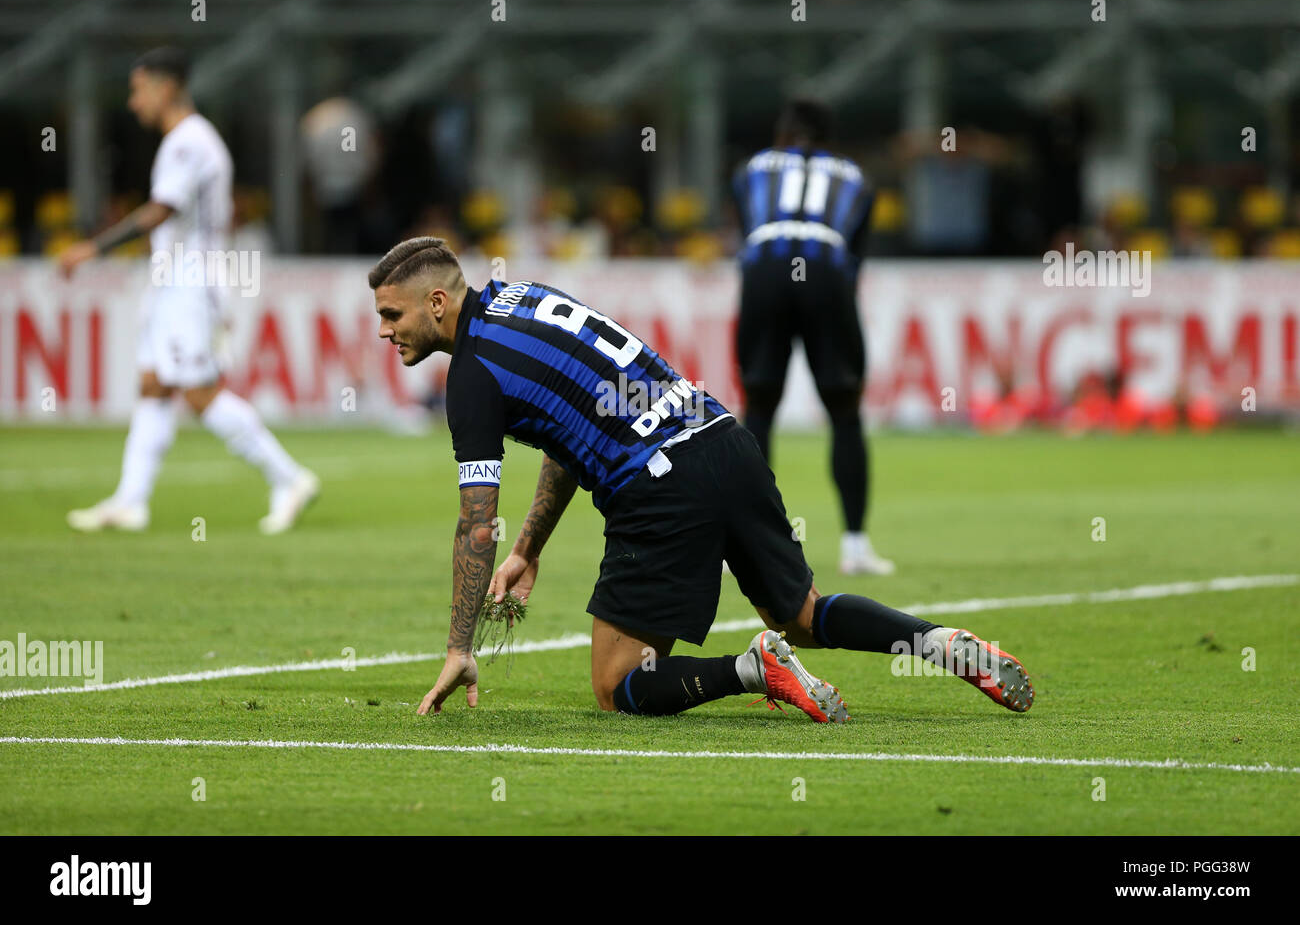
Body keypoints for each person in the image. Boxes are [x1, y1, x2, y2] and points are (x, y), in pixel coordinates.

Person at [368, 236, 1034, 720]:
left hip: (661, 487)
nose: (384, 332)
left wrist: (460, 645)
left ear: (435, 302)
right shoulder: (530, 298)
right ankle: (940, 643)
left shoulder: (473, 375)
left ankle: (753, 668)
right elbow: (568, 432)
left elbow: (475, 521)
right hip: (723, 440)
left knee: (616, 684)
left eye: (392, 316)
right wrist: (529, 550)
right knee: (803, 615)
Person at [58, 47, 318, 535]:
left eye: (139, 90)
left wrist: (92, 248)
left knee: (199, 394)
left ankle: (289, 479)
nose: (134, 103)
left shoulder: (187, 141)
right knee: (154, 385)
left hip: (189, 283)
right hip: (171, 280)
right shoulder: (189, 140)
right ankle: (131, 501)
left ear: (166, 87)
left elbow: (160, 210)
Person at [733, 99, 892, 574]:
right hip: (826, 270)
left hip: (766, 267)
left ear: (784, 131)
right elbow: (856, 258)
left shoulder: (751, 168)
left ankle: (743, 542)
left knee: (759, 406)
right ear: (828, 138)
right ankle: (855, 545)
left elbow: (748, 231)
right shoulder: (855, 176)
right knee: (844, 411)